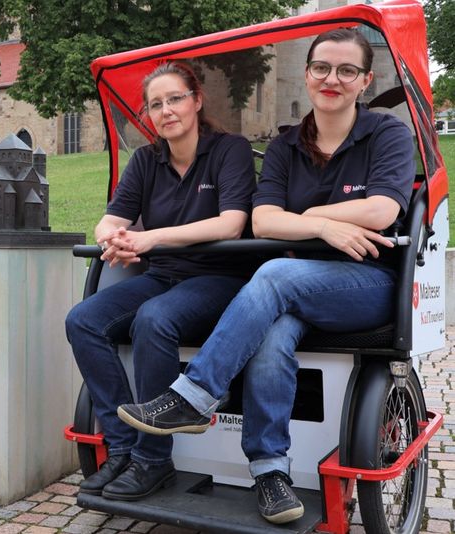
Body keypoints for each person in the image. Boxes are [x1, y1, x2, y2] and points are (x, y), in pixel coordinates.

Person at [117, 29, 414, 525]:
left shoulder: (386, 134)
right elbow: (264, 220)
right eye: (321, 68)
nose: (331, 79)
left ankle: (192, 398)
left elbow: (383, 209)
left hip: (368, 282)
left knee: (274, 273)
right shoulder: (285, 146)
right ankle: (270, 471)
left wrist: (313, 219)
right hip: (294, 285)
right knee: (272, 335)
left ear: (365, 80)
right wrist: (325, 225)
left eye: (346, 71)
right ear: (307, 72)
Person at [65, 62, 262, 502]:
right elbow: (109, 221)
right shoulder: (146, 160)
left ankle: (154, 460)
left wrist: (149, 236)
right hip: (163, 275)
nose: (166, 110)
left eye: (175, 99)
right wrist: (114, 238)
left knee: (154, 319)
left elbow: (231, 224)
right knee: (83, 320)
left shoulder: (229, 150)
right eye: (156, 104)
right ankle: (121, 448)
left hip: (220, 276)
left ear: (196, 100)